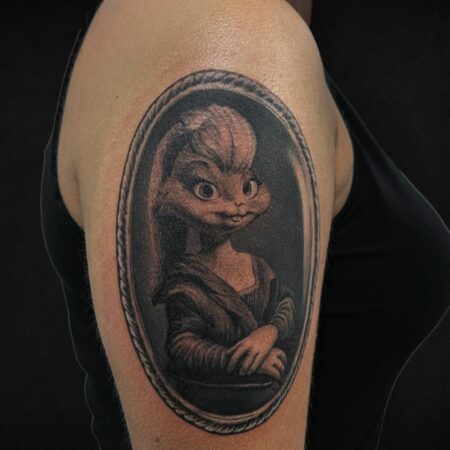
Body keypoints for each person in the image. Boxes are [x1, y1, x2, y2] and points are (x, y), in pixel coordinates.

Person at [41, 1, 450, 449]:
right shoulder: (229, 35)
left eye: (249, 186)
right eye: (206, 190)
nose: (236, 205)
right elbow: (181, 348)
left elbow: (283, 306)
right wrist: (237, 359)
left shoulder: (256, 268)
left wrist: (267, 333)